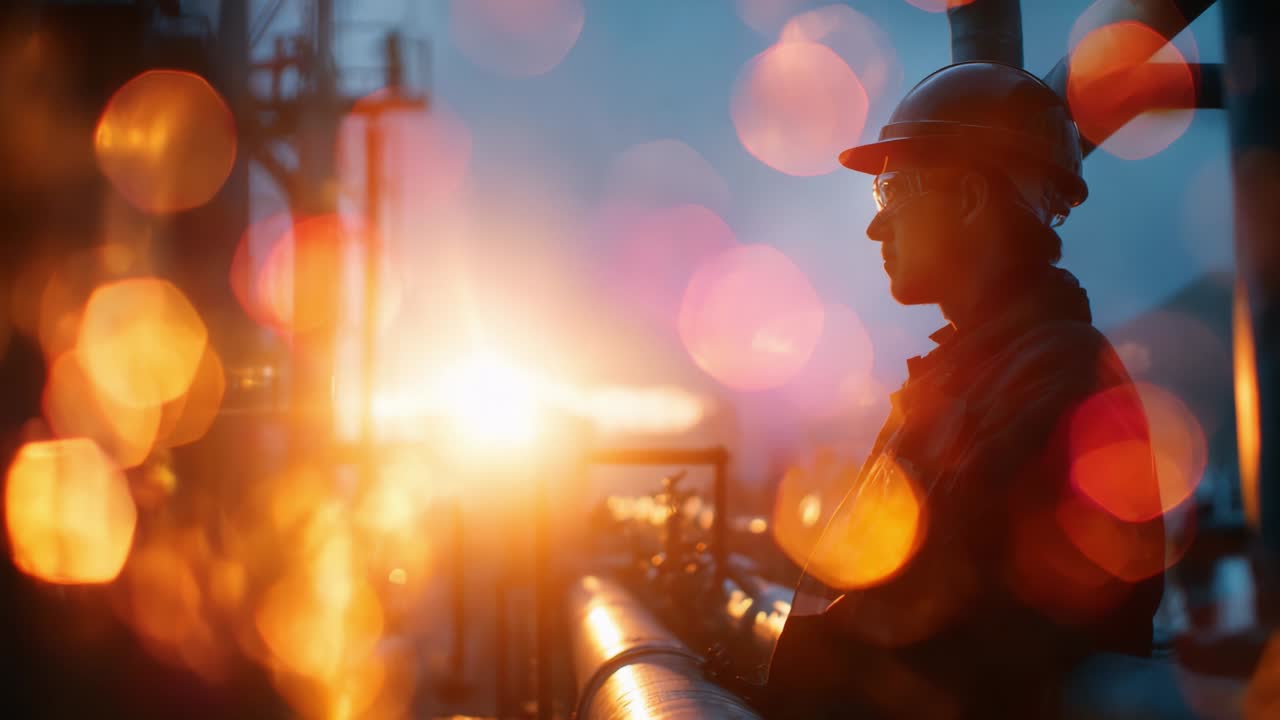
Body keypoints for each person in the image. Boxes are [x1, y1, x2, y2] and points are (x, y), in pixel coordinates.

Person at [760, 62, 1168, 718]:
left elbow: (946, 623)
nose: (876, 226)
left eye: (893, 192)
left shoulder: (1056, 382)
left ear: (972, 199)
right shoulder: (976, 375)